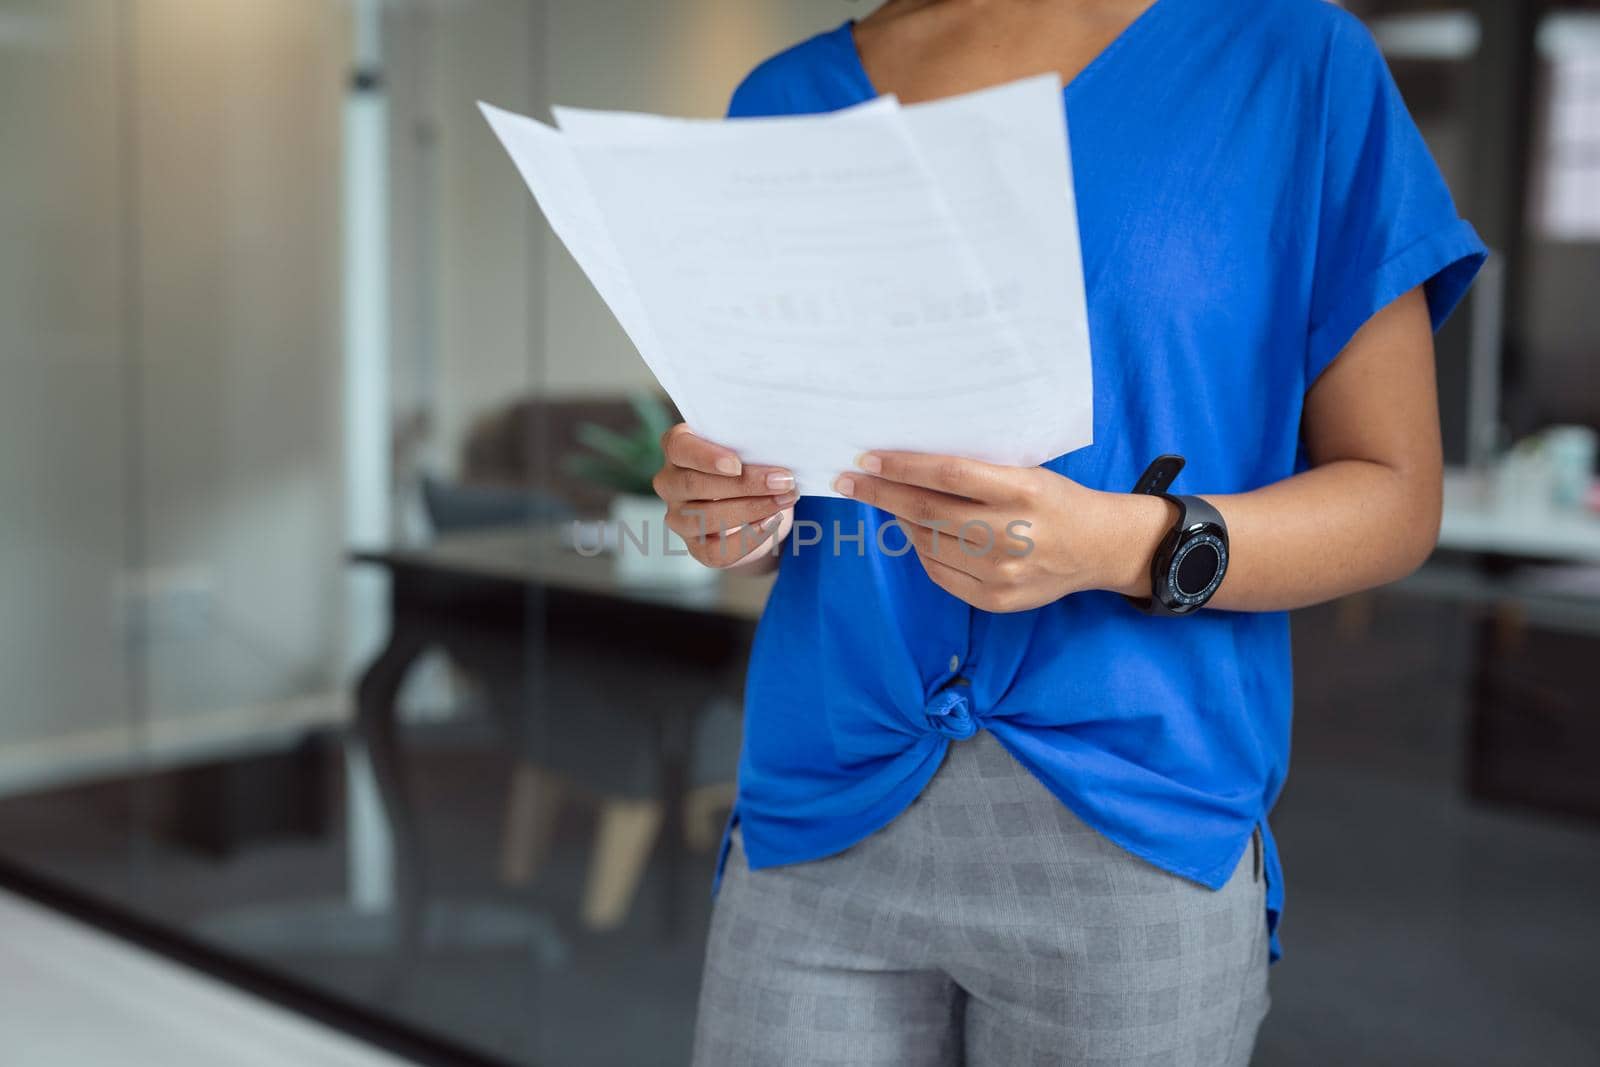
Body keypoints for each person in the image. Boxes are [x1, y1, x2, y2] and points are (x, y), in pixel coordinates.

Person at [651, 1, 1486, 1063]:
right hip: (815, 816)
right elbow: (779, 505)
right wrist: (727, 514)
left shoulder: (1291, 61)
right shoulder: (780, 102)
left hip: (1134, 838)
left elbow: (1394, 498)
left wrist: (1116, 545)